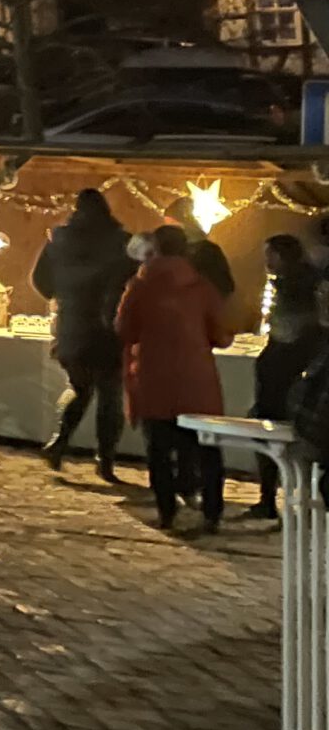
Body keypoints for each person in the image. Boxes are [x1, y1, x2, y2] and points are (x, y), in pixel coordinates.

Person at [115, 224, 232, 533]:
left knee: (159, 451)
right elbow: (221, 336)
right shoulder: (202, 287)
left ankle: (167, 512)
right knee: (207, 449)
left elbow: (124, 330)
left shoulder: (139, 286)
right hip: (197, 381)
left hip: (154, 379)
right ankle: (212, 512)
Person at [33, 189, 136, 481]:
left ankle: (59, 441)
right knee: (109, 394)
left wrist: (62, 297)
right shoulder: (121, 243)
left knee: (79, 385)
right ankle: (105, 460)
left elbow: (40, 280)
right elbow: (132, 279)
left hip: (72, 324)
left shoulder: (58, 242)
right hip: (109, 325)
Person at [246, 234, 327, 521]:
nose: (266, 261)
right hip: (287, 378)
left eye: (270, 254)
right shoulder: (302, 283)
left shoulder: (295, 288)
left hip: (283, 382)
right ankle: (280, 500)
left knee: (275, 436)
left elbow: (289, 333)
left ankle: (274, 499)